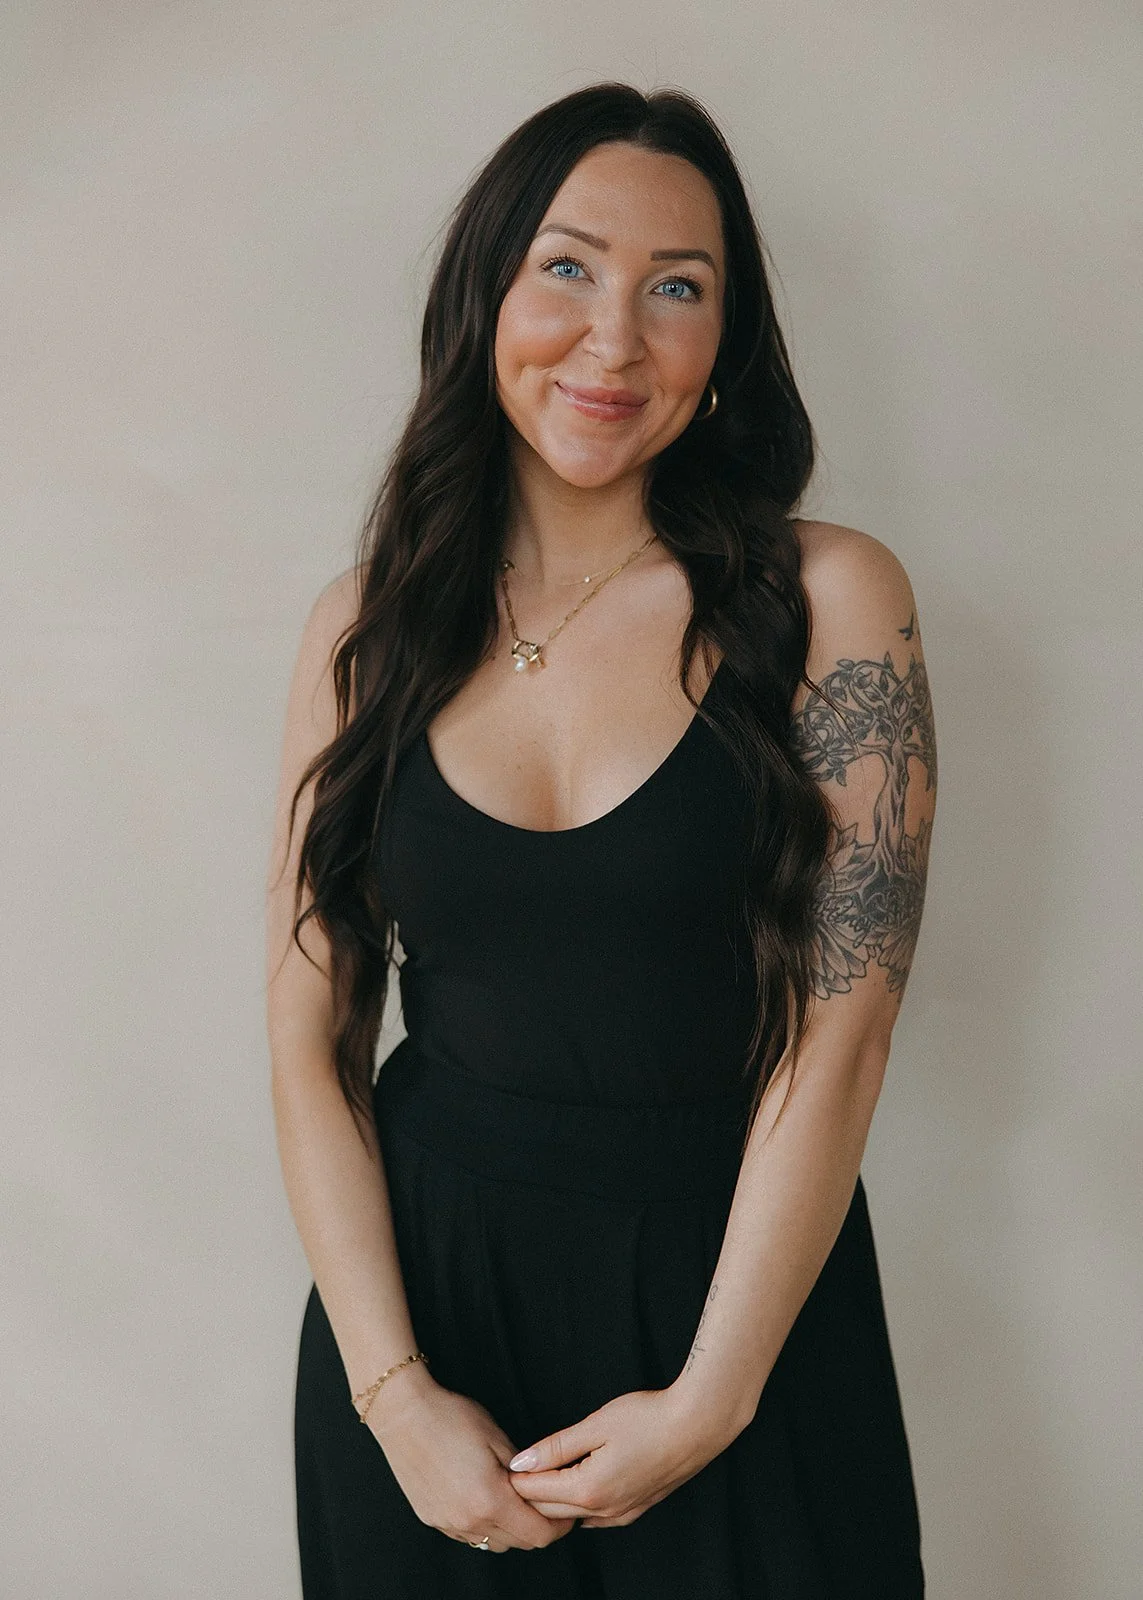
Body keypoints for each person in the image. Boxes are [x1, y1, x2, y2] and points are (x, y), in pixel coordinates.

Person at [265, 81, 936, 1599]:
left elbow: (844, 1036)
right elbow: (308, 1028)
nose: (614, 337)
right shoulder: (362, 633)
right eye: (565, 266)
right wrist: (393, 1398)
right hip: (429, 1335)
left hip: (738, 1316)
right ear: (485, 293)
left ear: (726, 345)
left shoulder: (828, 598)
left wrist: (713, 1397)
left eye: (676, 289)